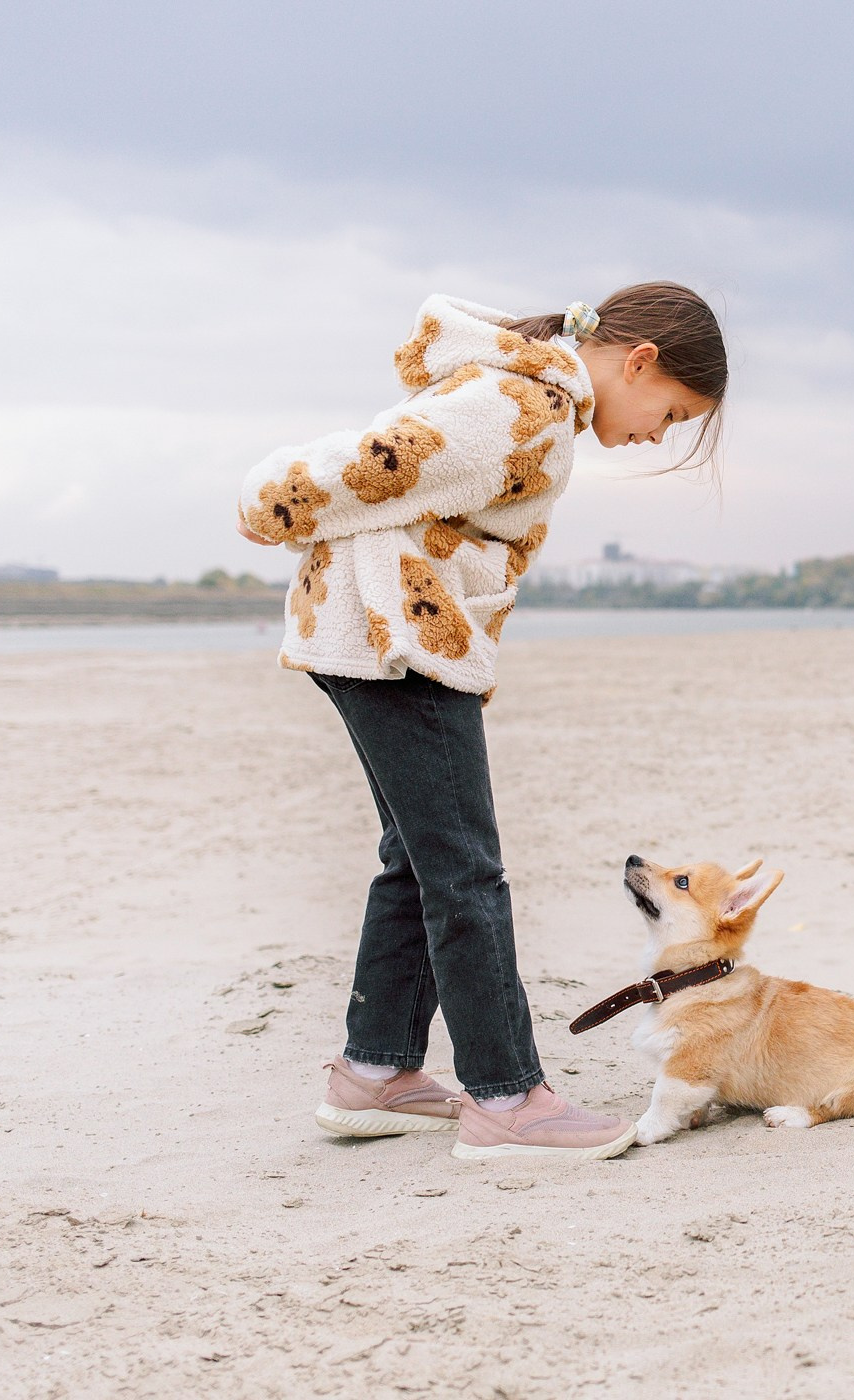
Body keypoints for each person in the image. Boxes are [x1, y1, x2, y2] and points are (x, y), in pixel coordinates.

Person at [235, 284, 726, 1161]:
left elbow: (412, 477)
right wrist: (270, 498)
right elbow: (376, 463)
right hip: (397, 642)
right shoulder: (525, 406)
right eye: (673, 412)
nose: (660, 433)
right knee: (466, 870)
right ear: (641, 361)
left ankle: (374, 1071)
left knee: (421, 861)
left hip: (372, 637)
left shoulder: (525, 400)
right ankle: (507, 1097)